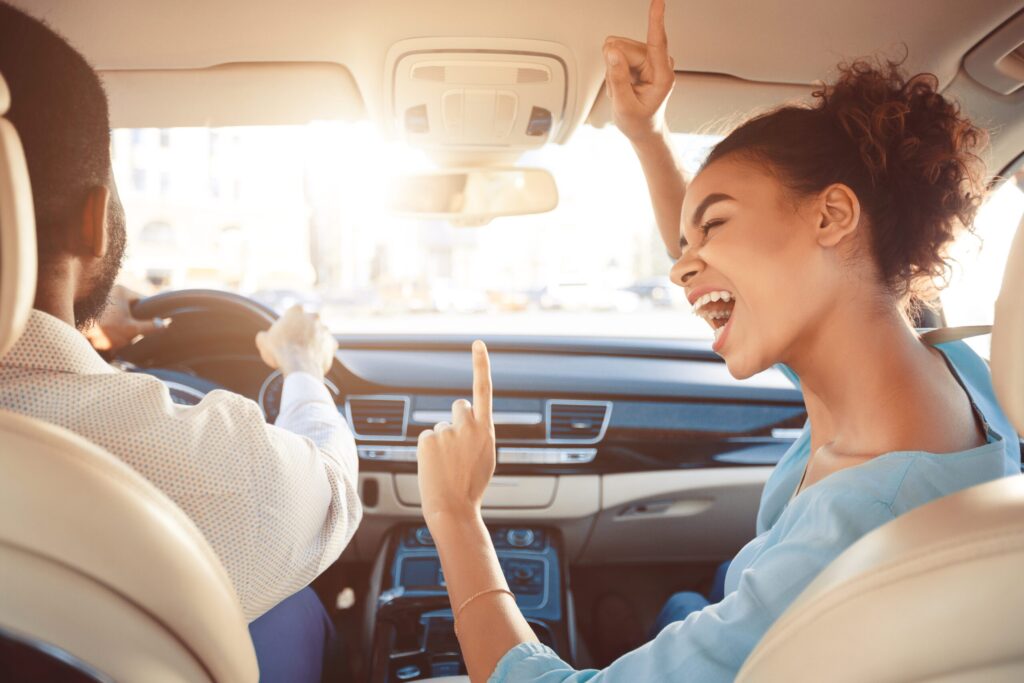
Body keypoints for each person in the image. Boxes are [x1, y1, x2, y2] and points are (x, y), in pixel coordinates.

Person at [413, 0, 1021, 680]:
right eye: (687, 239)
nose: (679, 265)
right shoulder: (959, 376)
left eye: (715, 225)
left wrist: (454, 512)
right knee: (676, 604)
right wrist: (647, 135)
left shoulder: (849, 532)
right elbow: (753, 273)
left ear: (833, 214)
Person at [0, 4, 360, 681]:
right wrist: (304, 367)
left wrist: (80, 314)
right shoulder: (202, 471)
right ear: (94, 221)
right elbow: (331, 487)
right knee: (291, 609)